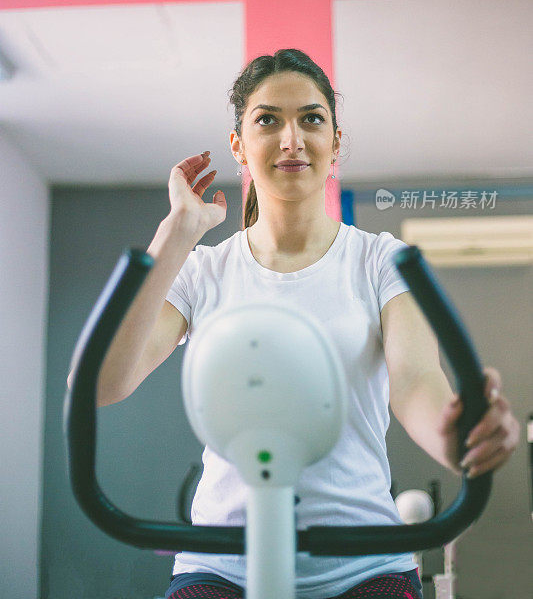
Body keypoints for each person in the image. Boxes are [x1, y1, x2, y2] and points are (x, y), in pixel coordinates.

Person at [90, 50, 520, 599]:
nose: (291, 138)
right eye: (267, 119)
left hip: (364, 564)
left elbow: (415, 383)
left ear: (336, 141)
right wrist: (177, 233)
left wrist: (465, 436)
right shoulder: (201, 272)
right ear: (239, 145)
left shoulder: (383, 262)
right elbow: (105, 382)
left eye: (311, 119)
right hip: (223, 565)